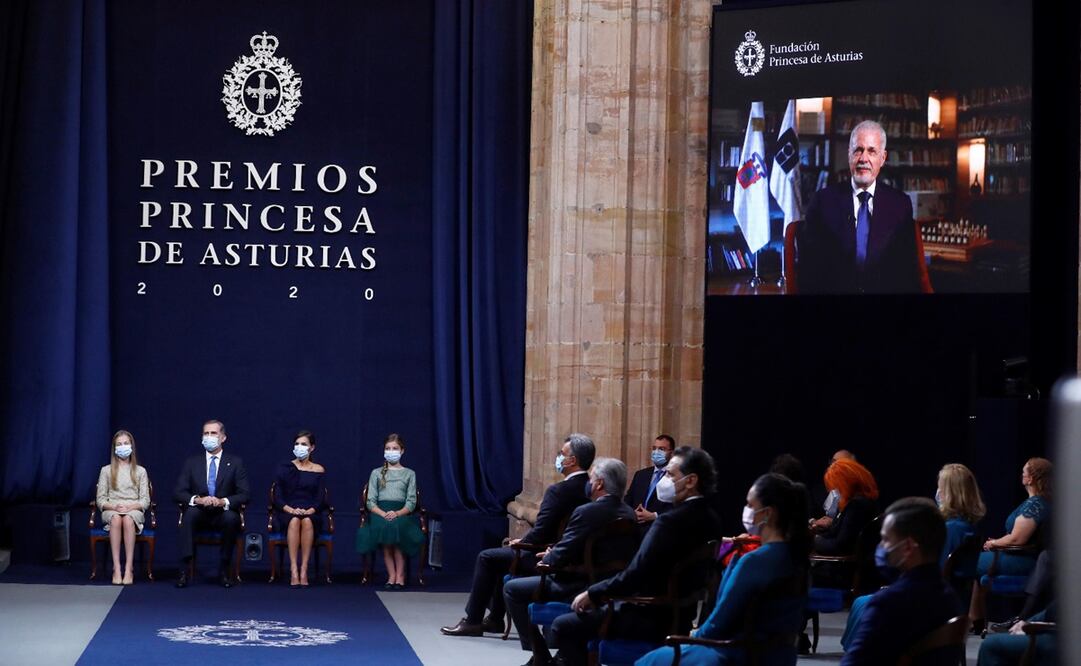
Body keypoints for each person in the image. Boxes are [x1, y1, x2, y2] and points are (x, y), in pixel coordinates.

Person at [549, 446, 724, 666]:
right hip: (682, 615)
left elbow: (636, 573)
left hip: (648, 614)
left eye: (670, 475)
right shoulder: (712, 519)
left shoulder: (669, 522)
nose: (664, 480)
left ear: (690, 481)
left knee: (563, 626)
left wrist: (593, 593)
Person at [636, 473, 810, 666]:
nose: (747, 511)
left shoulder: (753, 562)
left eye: (751, 506)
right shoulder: (799, 560)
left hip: (733, 656)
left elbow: (717, 625)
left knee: (649, 661)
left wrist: (694, 635)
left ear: (768, 513)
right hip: (780, 657)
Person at [440, 433, 595, 637]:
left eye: (562, 453)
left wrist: (521, 543)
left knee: (487, 557)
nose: (558, 457)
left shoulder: (558, 491)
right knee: (499, 558)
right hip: (574, 556)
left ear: (572, 460)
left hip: (546, 557)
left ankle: (473, 620)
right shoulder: (592, 489)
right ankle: (495, 619)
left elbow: (541, 531)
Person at [841, 462, 985, 650]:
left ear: (949, 493)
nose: (937, 493)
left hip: (928, 605)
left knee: (863, 603)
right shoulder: (968, 528)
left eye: (940, 488)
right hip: (952, 602)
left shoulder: (948, 530)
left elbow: (934, 574)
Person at [503, 457, 638, 657]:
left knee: (511, 588)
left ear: (599, 483)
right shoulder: (629, 514)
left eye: (591, 478)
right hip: (610, 585)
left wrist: (548, 557)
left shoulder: (586, 512)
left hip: (576, 584)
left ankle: (539, 655)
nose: (588, 483)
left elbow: (562, 554)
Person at [798, 120, 923, 294]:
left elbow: (906, 273)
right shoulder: (822, 202)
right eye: (858, 150)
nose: (864, 158)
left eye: (872, 151)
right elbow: (809, 272)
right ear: (849, 154)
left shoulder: (900, 205)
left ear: (883, 158)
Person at [840, 498, 963, 666]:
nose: (881, 547)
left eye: (886, 539)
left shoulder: (888, 604)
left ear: (907, 547)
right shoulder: (951, 600)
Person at [969, 458, 1052, 634]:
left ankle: (963, 618)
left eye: (1025, 472)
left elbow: (1017, 540)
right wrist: (998, 542)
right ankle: (974, 618)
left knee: (969, 562)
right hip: (1021, 557)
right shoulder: (1038, 502)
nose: (1022, 474)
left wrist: (993, 543)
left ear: (1031, 478)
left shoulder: (1035, 504)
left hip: (1025, 561)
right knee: (972, 563)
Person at [173, 419, 251, 588]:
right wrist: (197, 500)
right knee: (189, 515)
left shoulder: (235, 463)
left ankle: (224, 569)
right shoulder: (192, 463)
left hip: (223, 512)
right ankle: (184, 569)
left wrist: (223, 501)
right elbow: (178, 492)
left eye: (213, 433)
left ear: (223, 438)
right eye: (206, 433)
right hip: (200, 511)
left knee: (232, 519)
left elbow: (245, 494)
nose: (209, 437)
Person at [355, 433, 425, 589]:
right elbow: (370, 500)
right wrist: (382, 513)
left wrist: (398, 513)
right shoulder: (376, 473)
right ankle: (391, 575)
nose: (391, 451)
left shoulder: (409, 473)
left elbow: (412, 501)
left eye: (395, 448)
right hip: (380, 512)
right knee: (385, 528)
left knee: (397, 529)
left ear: (402, 451)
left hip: (402, 513)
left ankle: (400, 576)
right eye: (388, 448)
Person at [95, 430, 150, 585]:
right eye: (119, 444)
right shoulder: (106, 470)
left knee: (127, 519)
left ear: (131, 446)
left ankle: (128, 568)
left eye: (126, 443)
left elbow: (145, 501)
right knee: (116, 519)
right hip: (112, 508)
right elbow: (100, 500)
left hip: (134, 509)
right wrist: (114, 506)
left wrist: (131, 506)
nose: (123, 447)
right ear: (114, 448)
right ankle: (117, 568)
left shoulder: (141, 471)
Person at [273, 430, 327, 587]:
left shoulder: (318, 470)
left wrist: (311, 510)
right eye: (297, 444)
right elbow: (277, 496)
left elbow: (320, 498)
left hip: (311, 511)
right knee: (295, 521)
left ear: (312, 448)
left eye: (304, 444)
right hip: (288, 511)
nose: (299, 447)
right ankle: (293, 569)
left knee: (308, 522)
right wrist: (290, 509)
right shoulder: (285, 468)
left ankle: (304, 569)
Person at [811, 458, 879, 555]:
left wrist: (814, 541)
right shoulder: (867, 501)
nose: (837, 491)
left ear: (845, 484)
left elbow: (840, 546)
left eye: (837, 486)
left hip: (842, 566)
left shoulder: (856, 506)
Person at [624, 434, 675, 531]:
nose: (656, 452)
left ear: (671, 453)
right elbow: (628, 499)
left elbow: (677, 507)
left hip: (660, 530)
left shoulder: (675, 477)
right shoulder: (641, 474)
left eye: (662, 449)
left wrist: (654, 516)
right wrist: (632, 513)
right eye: (654, 448)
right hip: (635, 529)